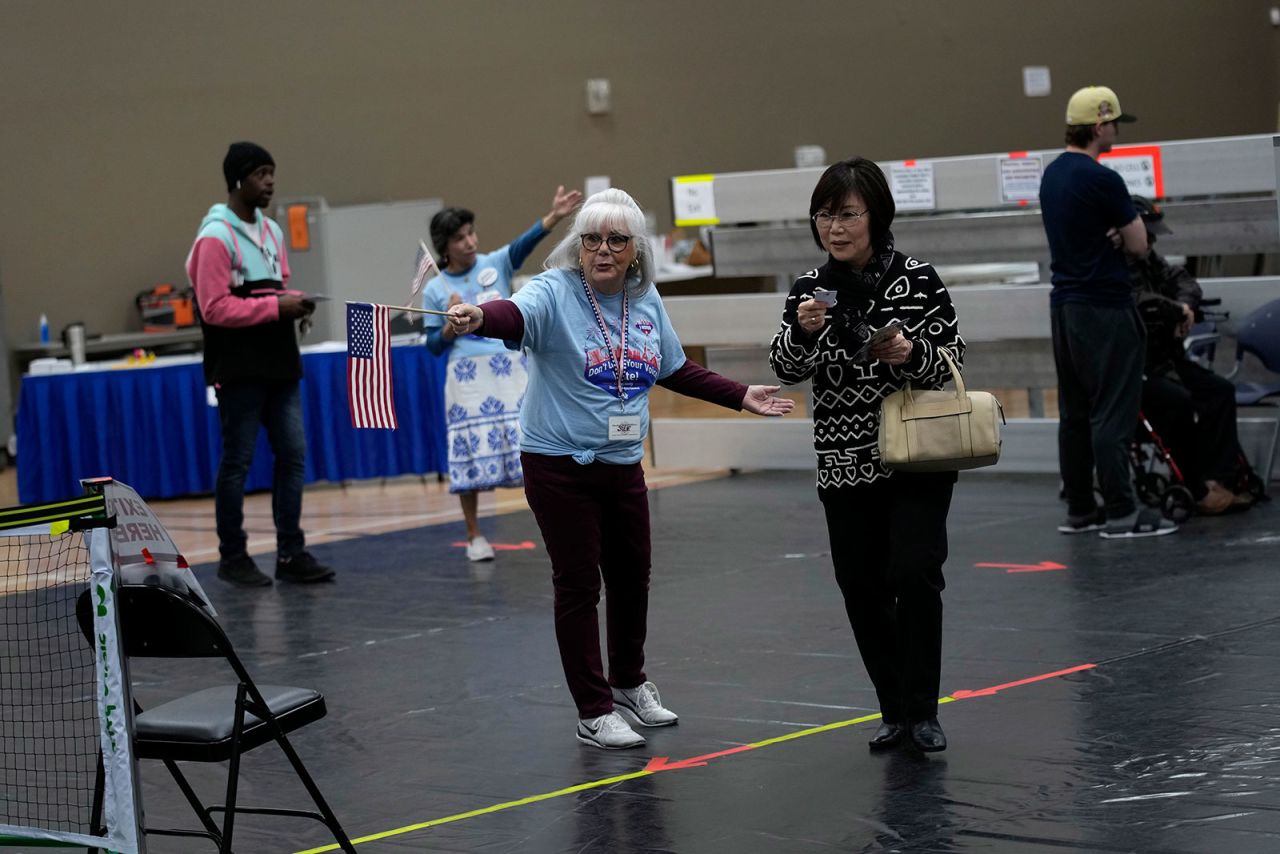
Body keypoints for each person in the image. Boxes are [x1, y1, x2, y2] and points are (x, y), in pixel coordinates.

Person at [446, 188, 794, 749]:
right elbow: (513, 315)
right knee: (579, 583)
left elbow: (674, 369)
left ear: (635, 250)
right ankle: (593, 709)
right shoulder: (553, 291)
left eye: (615, 240)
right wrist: (479, 316)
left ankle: (629, 684)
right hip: (559, 465)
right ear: (577, 245)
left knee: (633, 576)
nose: (602, 250)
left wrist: (740, 395)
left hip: (622, 464)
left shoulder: (645, 297)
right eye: (591, 239)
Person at [769, 156, 965, 753]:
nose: (836, 227)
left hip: (915, 455)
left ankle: (923, 711)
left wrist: (910, 353)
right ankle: (893, 709)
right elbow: (783, 368)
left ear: (876, 215)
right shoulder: (810, 289)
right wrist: (802, 333)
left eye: (848, 213)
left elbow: (953, 357)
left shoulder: (917, 279)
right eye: (825, 215)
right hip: (843, 458)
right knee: (859, 584)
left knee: (914, 572)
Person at [186, 141, 335, 587]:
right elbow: (213, 309)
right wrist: (276, 309)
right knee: (239, 462)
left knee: (293, 455)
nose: (270, 181)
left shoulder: (272, 232)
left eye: (272, 172)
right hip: (239, 366)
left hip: (280, 361)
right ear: (237, 180)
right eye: (260, 174)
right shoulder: (215, 238)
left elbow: (274, 289)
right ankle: (233, 556)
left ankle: (290, 553)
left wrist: (295, 303)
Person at [1039, 85, 1176, 539]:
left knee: (1075, 411)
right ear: (1100, 127)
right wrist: (1123, 234)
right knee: (1113, 411)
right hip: (1104, 306)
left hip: (1065, 307)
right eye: (1115, 123)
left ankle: (1080, 508)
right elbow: (1139, 243)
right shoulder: (1103, 179)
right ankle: (1121, 511)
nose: (1117, 131)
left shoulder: (1052, 175)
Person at [422, 186, 583, 562]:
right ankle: (474, 534)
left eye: (472, 233)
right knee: (470, 451)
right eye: (460, 238)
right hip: (467, 378)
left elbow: (525, 243)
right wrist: (450, 321)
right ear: (444, 245)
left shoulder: (496, 263)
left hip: (510, 367)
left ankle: (557, 524)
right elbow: (432, 347)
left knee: (537, 446)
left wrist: (555, 215)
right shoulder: (435, 289)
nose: (470, 242)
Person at [1129, 197, 1251, 514]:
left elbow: (1184, 282)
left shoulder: (1150, 259)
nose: (1152, 240)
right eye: (1148, 233)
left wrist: (1183, 307)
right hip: (1139, 366)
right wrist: (1176, 311)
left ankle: (1220, 479)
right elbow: (1141, 300)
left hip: (1168, 359)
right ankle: (1196, 484)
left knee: (1220, 392)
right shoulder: (1115, 267)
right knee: (1178, 401)